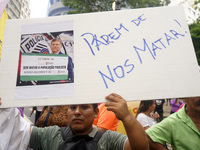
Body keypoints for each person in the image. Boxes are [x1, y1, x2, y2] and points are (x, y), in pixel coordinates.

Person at [0, 94, 149, 150]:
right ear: (67, 111)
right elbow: (17, 130)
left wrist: (127, 117)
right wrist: (4, 108)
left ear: (96, 112)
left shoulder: (109, 139)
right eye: (72, 107)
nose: (77, 111)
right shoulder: (52, 134)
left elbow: (141, 148)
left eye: (84, 107)